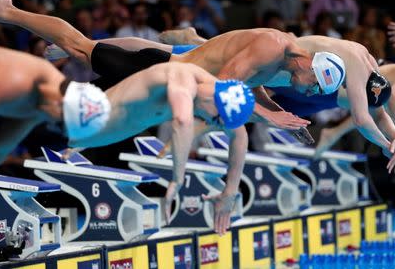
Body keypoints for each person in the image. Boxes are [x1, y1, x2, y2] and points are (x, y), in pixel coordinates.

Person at [0, 0, 321, 137]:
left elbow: (249, 86)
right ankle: (6, 12)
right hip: (159, 69)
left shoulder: (280, 58)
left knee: (75, 95)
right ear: (310, 63)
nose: (309, 93)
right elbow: (226, 87)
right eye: (314, 86)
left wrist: (279, 114)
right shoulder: (272, 45)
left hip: (165, 69)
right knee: (79, 49)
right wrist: (269, 116)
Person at [157, 28, 395, 173]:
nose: (357, 98)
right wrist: (389, 144)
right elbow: (362, 118)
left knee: (225, 68)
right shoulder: (355, 70)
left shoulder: (371, 67)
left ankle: (194, 42)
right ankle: (188, 48)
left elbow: (377, 112)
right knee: (222, 80)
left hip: (298, 71)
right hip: (291, 70)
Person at [64, 62, 254, 236]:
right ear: (216, 101)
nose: (209, 122)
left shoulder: (215, 92)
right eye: (215, 120)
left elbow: (240, 135)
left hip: (91, 137)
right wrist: (177, 181)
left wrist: (229, 193)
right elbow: (182, 121)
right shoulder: (183, 78)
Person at [0, 45, 110, 179]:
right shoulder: (18, 80)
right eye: (59, 124)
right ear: (61, 104)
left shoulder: (41, 103)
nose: (52, 123)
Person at [314, 62, 395, 164]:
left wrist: (394, 142)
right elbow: (394, 95)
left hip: (350, 95)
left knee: (376, 112)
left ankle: (334, 133)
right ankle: (333, 134)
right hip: (347, 87)